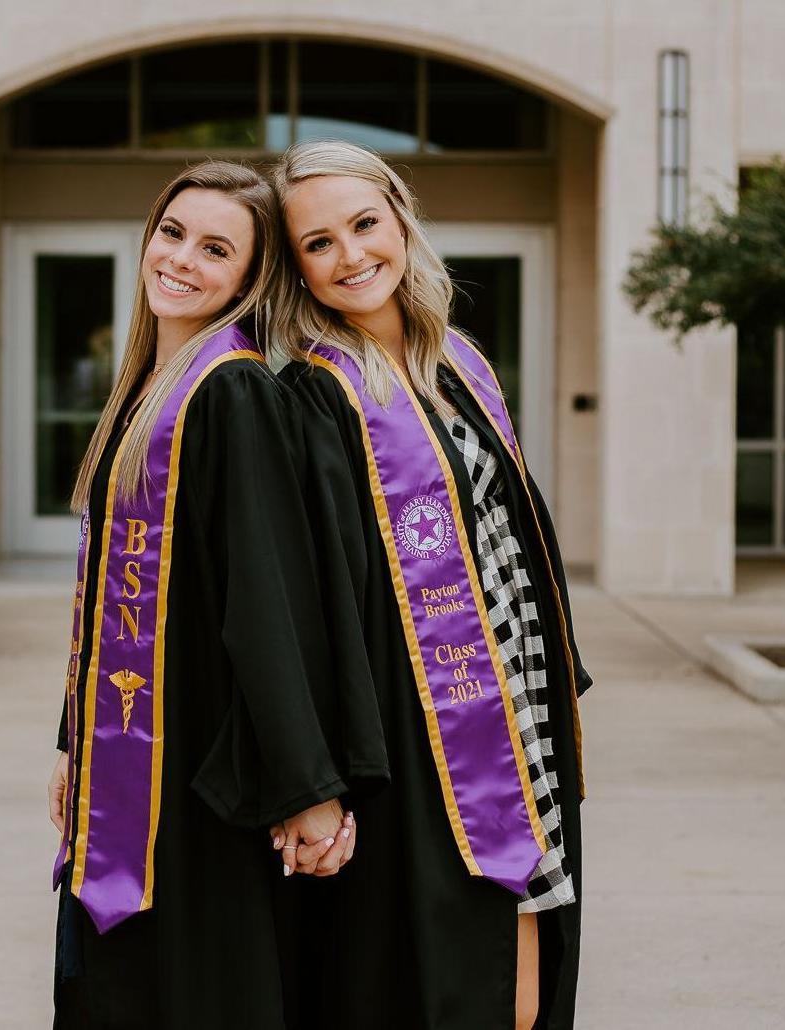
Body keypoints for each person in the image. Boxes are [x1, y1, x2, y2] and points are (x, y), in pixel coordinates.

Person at [46, 160, 387, 1030]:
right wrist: (73, 742)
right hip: (130, 763)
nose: (180, 259)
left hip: (192, 779)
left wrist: (307, 788)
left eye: (215, 249)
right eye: (172, 233)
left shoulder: (232, 394)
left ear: (249, 277)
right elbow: (108, 602)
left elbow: (266, 604)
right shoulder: (144, 392)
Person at [270, 140, 593, 1030]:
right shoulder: (313, 393)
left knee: (522, 986)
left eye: (364, 224)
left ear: (401, 220)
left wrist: (558, 685)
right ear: (295, 267)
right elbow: (315, 595)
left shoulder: (457, 361)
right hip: (420, 730)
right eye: (318, 243)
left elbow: (513, 532)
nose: (350, 255)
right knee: (462, 983)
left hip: (515, 701)